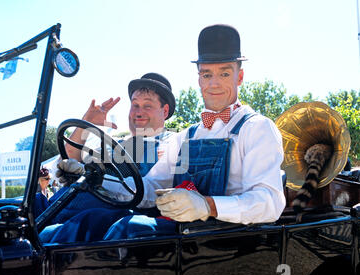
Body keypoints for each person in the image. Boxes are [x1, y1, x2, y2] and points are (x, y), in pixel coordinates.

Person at [56, 24, 286, 241]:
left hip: (227, 236)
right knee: (94, 220)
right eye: (207, 74)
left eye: (224, 74)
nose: (214, 84)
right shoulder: (186, 137)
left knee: (127, 229)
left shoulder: (256, 128)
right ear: (199, 79)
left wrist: (208, 205)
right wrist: (95, 179)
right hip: (184, 232)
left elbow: (270, 203)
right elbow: (149, 189)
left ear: (240, 77)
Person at [39, 72, 176, 242]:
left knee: (85, 221)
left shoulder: (171, 143)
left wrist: (95, 179)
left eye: (147, 106)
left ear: (165, 110)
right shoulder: (113, 143)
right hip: (59, 206)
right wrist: (86, 122)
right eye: (135, 105)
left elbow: (152, 191)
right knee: (17, 208)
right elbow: (69, 157)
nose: (138, 112)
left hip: (101, 219)